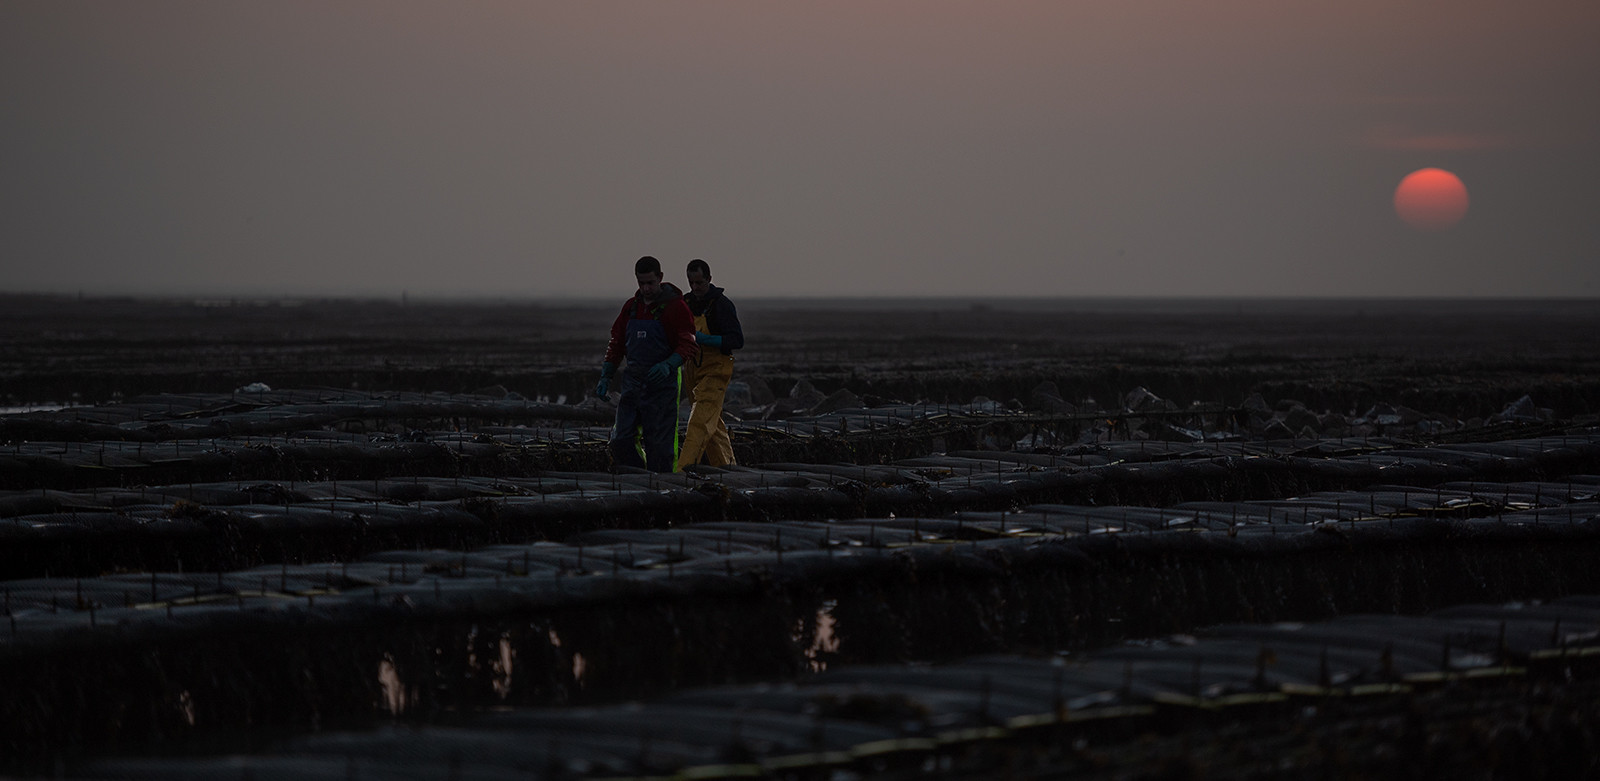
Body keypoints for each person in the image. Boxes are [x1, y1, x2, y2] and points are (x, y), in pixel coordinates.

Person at [595, 256, 697, 472]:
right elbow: (616, 343)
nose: (646, 288)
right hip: (632, 382)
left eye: (650, 283)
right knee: (621, 439)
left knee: (660, 445)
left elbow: (688, 344)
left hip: (662, 384)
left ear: (660, 277)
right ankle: (635, 476)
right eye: (641, 283)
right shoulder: (631, 307)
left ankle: (663, 483)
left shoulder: (676, 308)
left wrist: (669, 364)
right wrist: (606, 375)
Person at [679, 258, 744, 467]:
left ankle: (682, 471)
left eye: (699, 283)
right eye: (691, 283)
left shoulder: (722, 305)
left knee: (699, 422)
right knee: (712, 422)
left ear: (709, 279)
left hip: (717, 369)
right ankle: (727, 467)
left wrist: (706, 339)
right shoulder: (686, 302)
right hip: (692, 367)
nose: (695, 287)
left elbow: (737, 340)